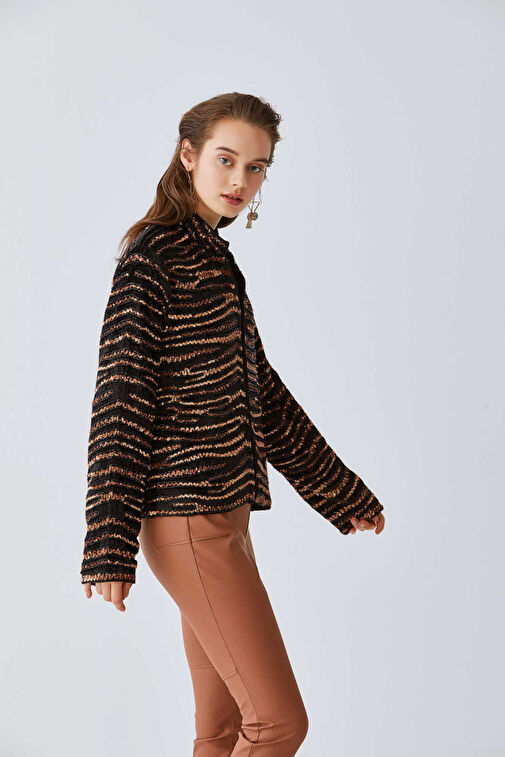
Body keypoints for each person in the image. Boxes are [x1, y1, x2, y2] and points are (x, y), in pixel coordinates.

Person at [80, 91, 386, 756]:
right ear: (187, 155)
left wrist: (340, 492)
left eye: (256, 167)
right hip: (189, 522)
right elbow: (121, 402)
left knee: (221, 734)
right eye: (225, 159)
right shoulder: (153, 259)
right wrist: (108, 542)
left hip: (224, 518)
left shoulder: (212, 258)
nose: (239, 180)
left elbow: (260, 394)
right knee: (277, 724)